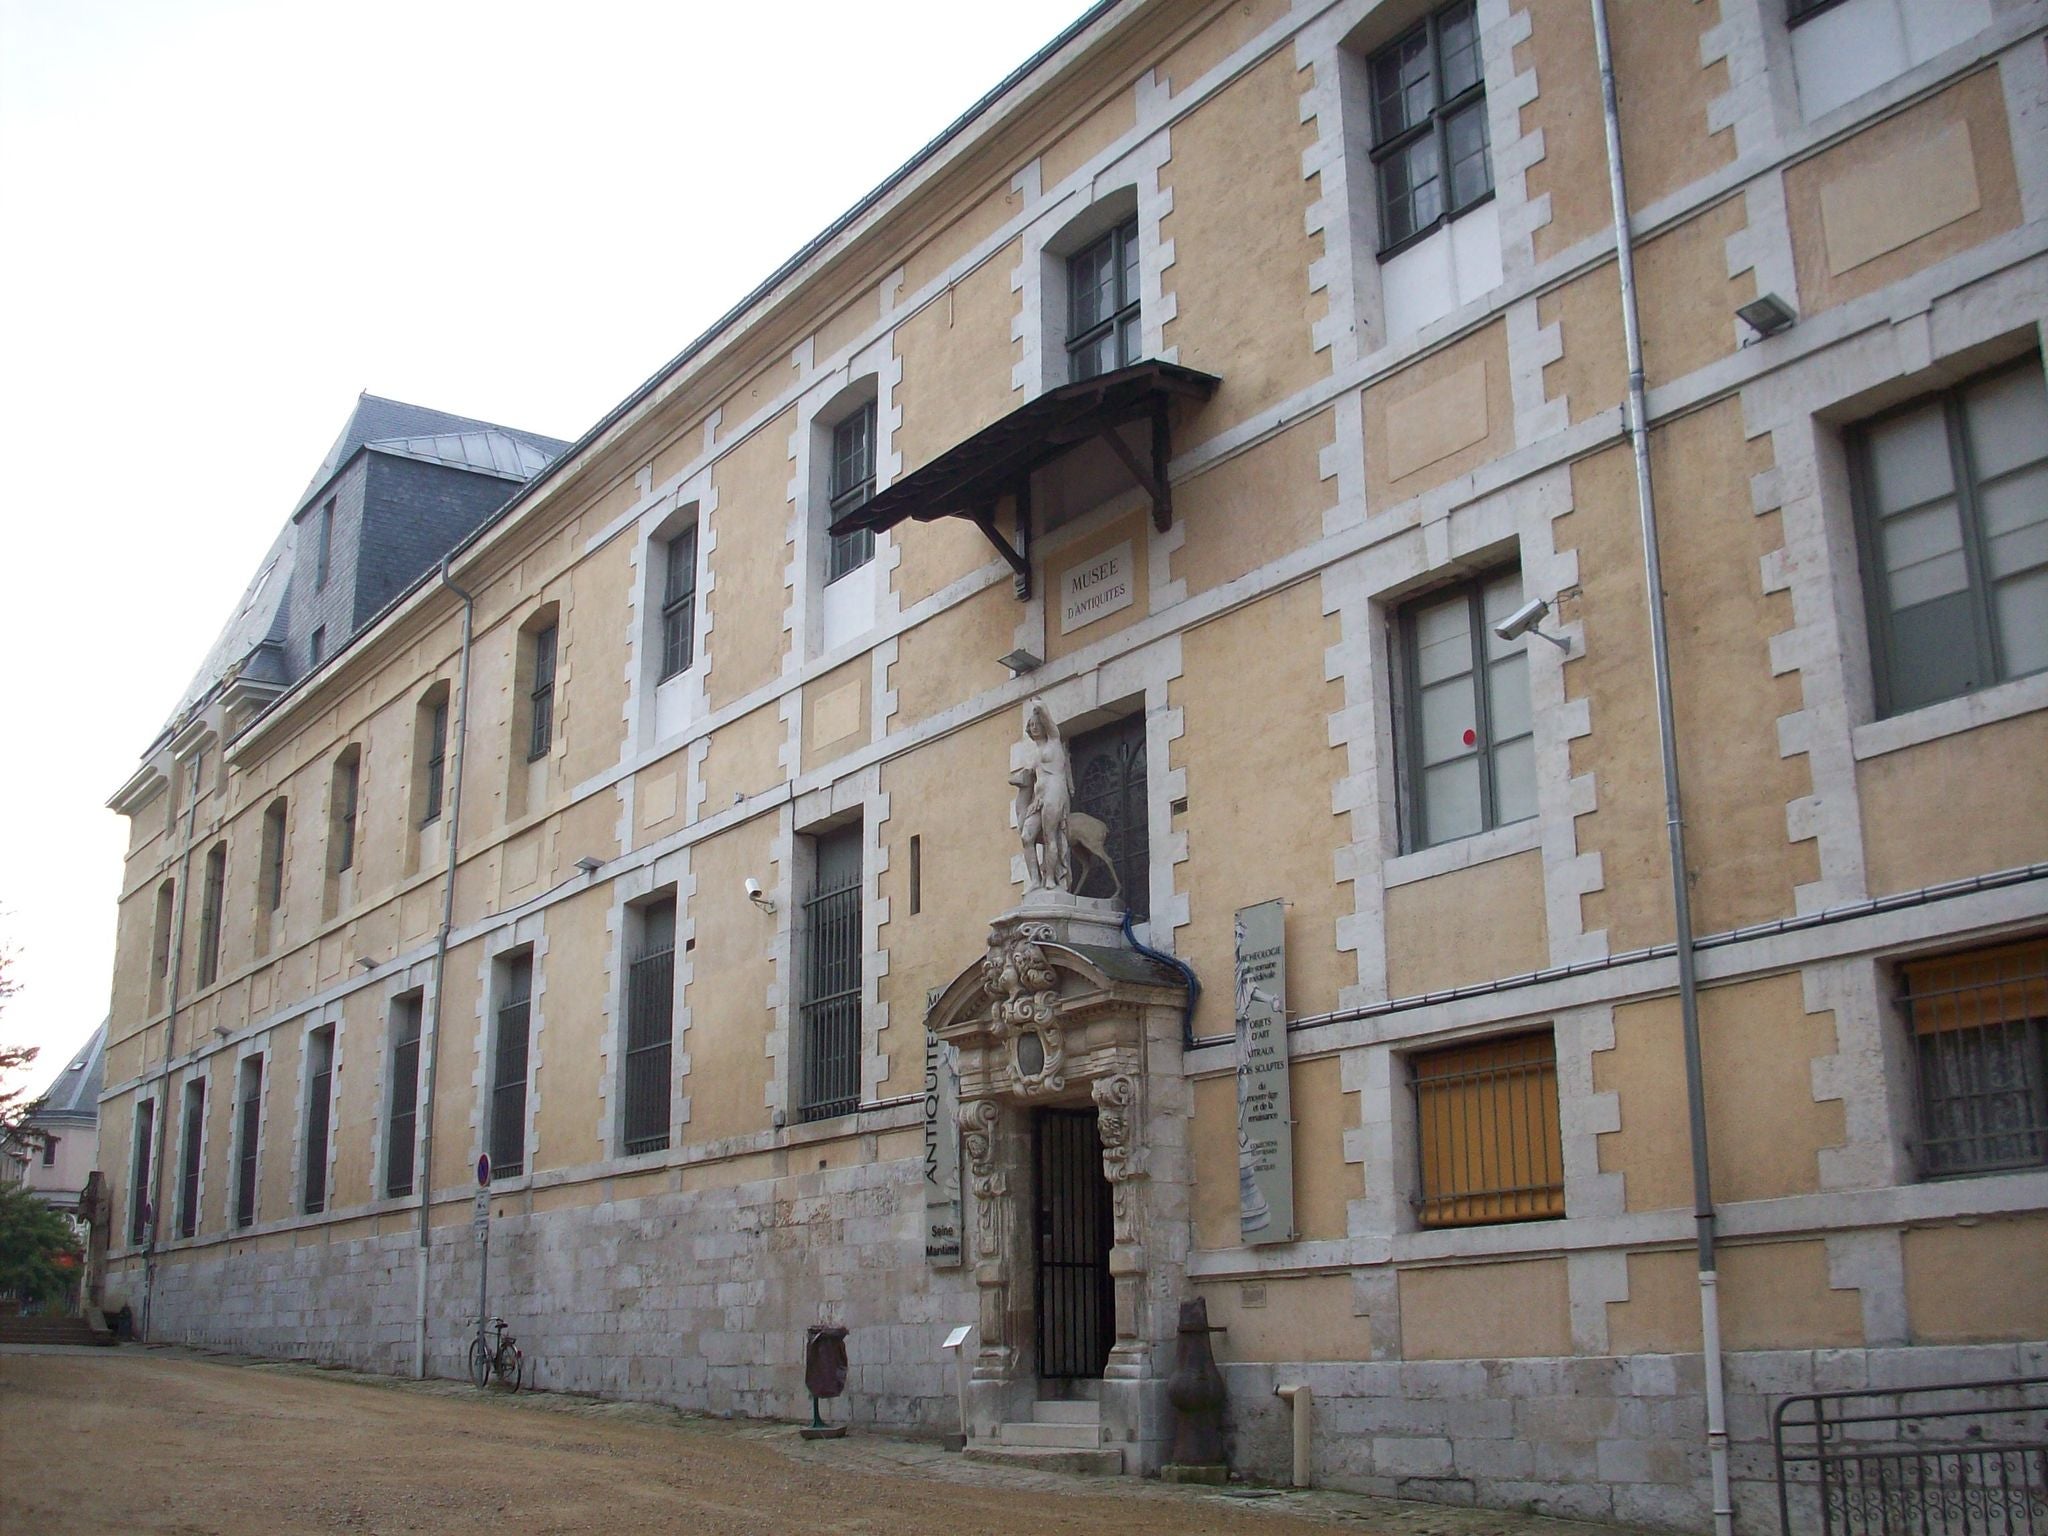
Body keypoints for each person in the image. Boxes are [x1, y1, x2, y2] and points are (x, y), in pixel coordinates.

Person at [1014, 699, 1073, 892]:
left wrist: (1039, 708)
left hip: (1055, 793)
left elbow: (1051, 724)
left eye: (1037, 724)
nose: (1034, 727)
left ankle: (1050, 879)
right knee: (1026, 836)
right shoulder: (1034, 754)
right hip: (1038, 798)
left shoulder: (1054, 742)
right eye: (1031, 725)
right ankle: (1035, 881)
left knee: (1050, 837)